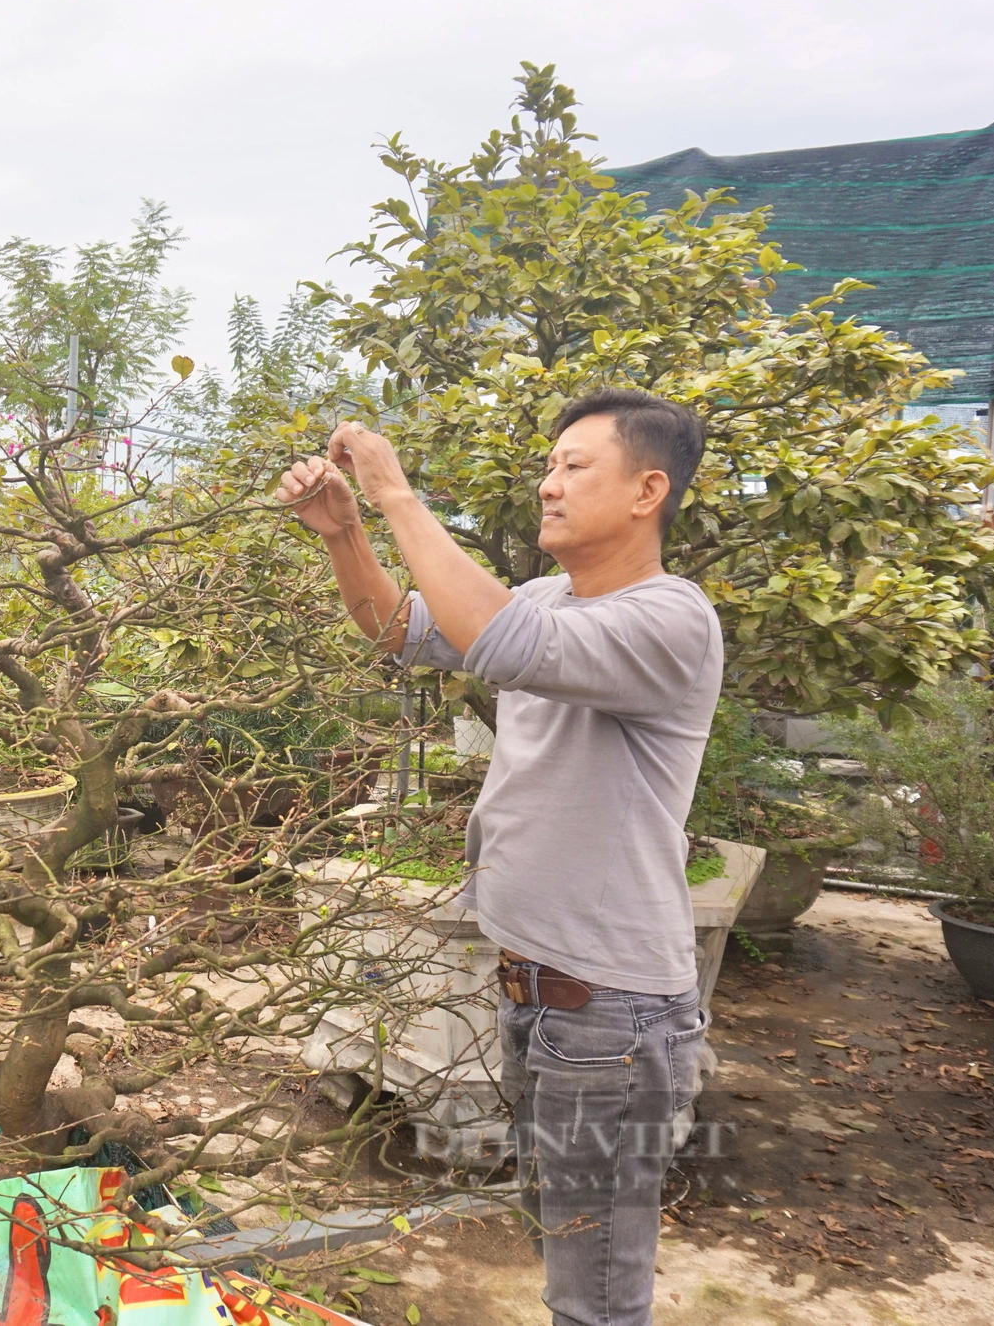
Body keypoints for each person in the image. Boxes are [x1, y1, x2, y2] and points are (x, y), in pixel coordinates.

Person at [276, 388, 720, 1326]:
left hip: (613, 1012)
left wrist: (397, 491)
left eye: (573, 466)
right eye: (549, 465)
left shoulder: (671, 618)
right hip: (541, 994)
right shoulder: (550, 597)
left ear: (649, 490)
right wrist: (344, 531)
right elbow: (402, 630)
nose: (547, 485)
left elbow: (502, 644)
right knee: (561, 1243)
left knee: (596, 1285)